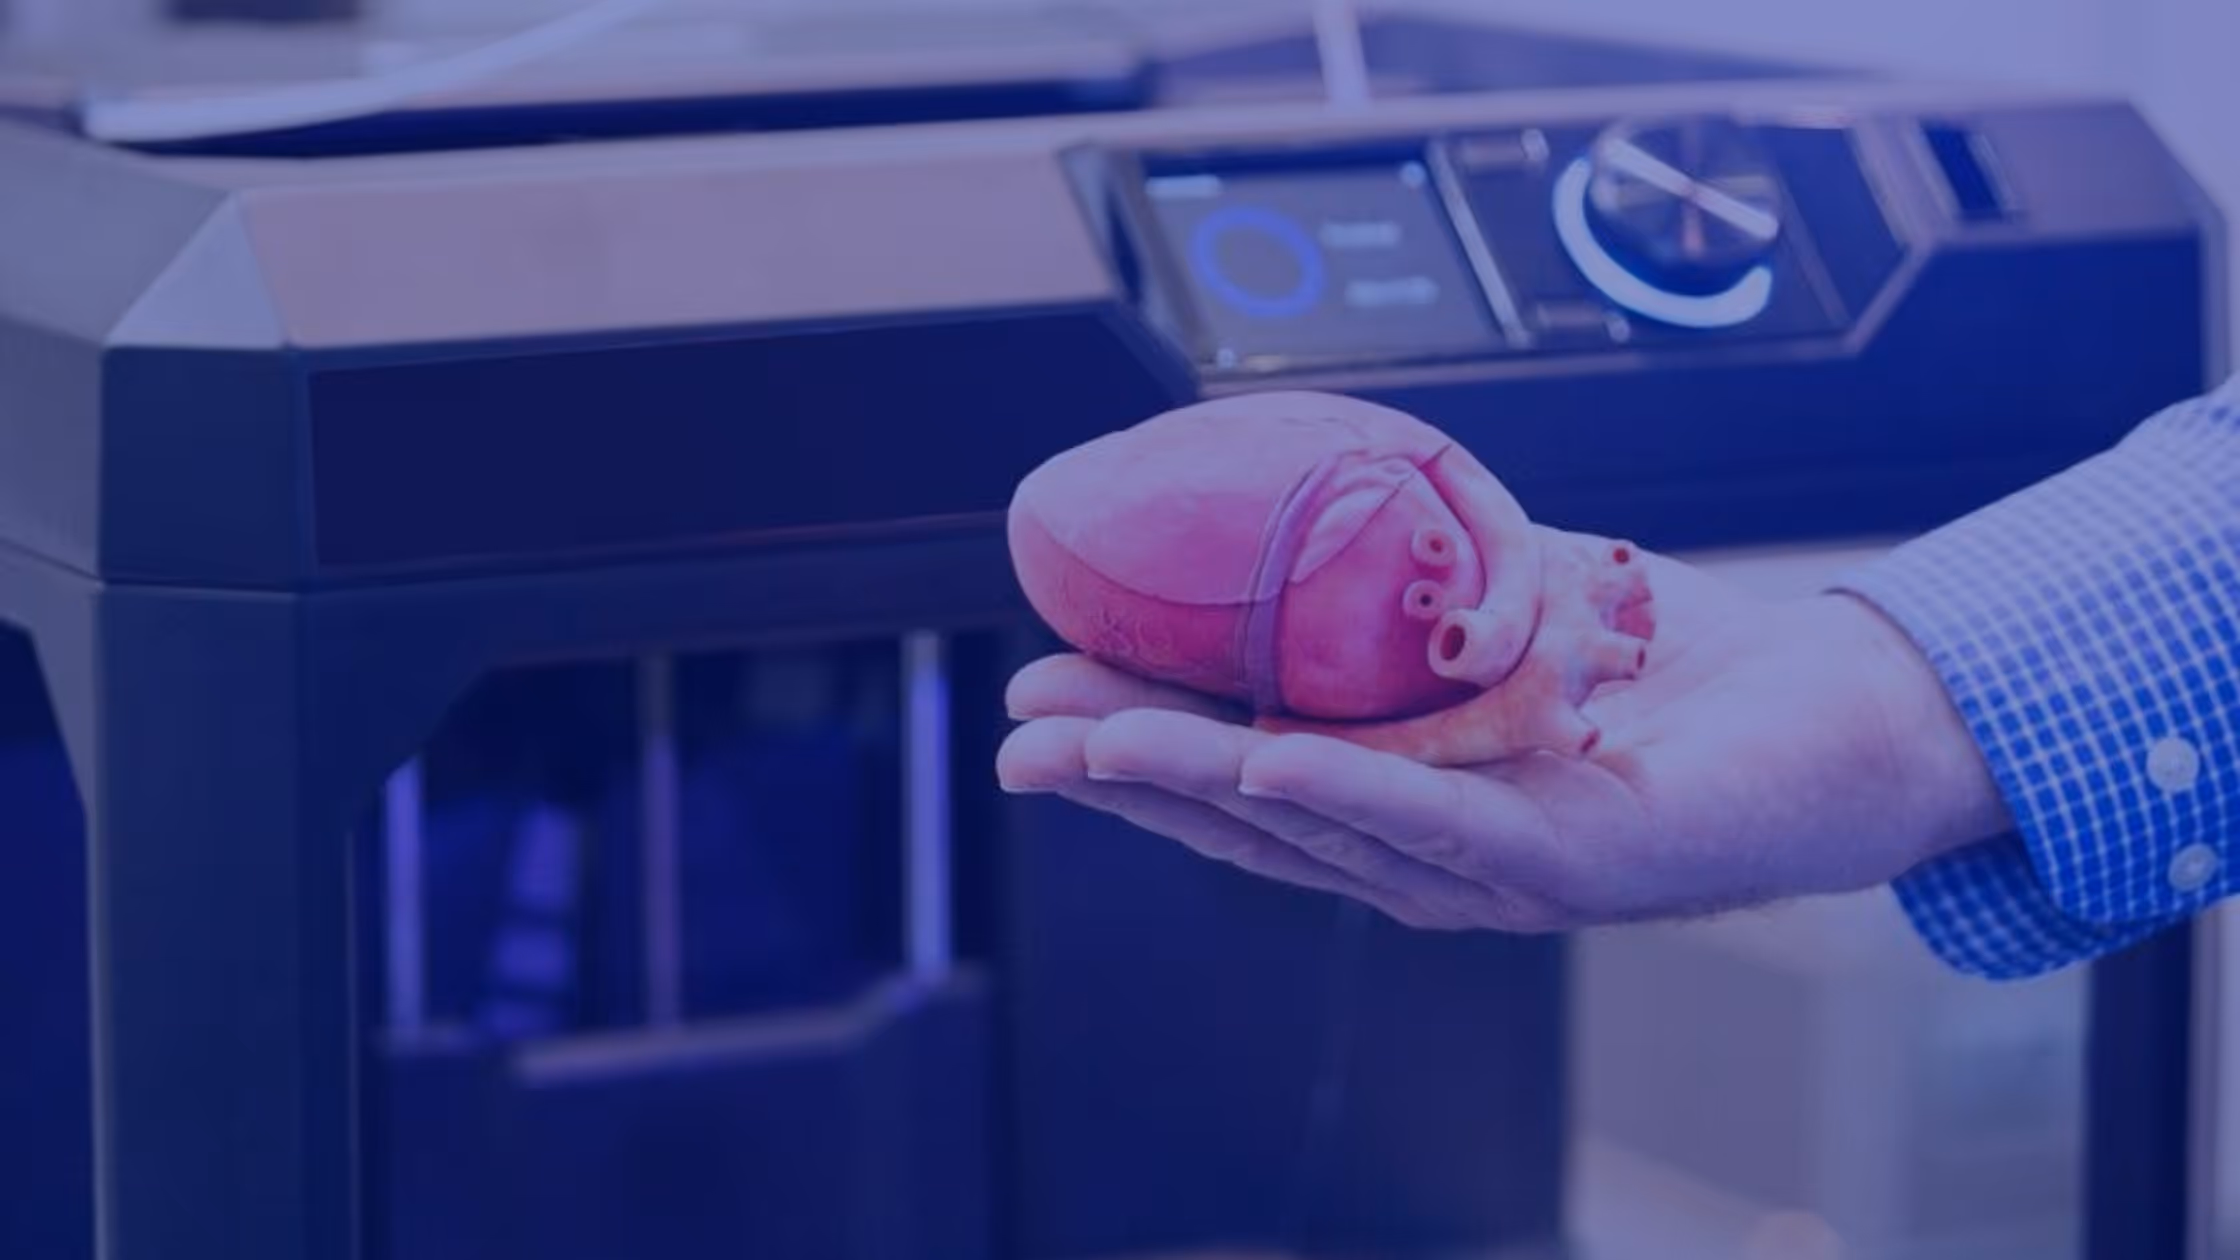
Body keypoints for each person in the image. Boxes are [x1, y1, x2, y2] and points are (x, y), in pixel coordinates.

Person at [996, 372, 2240, 982]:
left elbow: (1431, 470)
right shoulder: (1393, 515)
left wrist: (1881, 703)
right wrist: (1887, 702)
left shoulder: (1447, 528)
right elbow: (1404, 460)